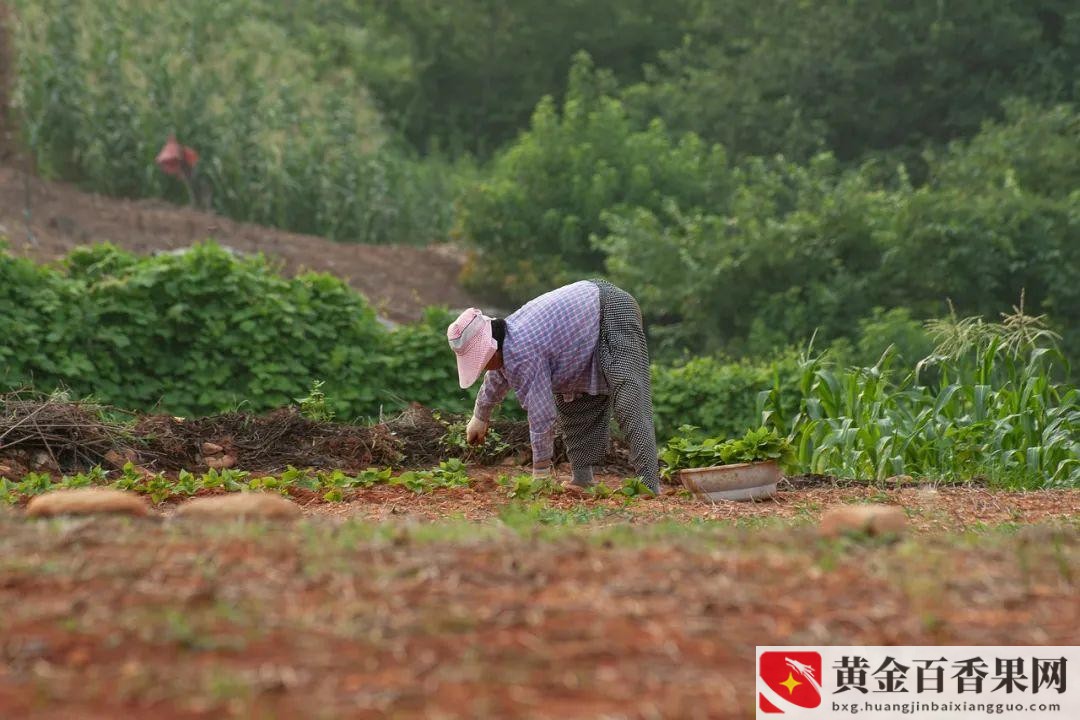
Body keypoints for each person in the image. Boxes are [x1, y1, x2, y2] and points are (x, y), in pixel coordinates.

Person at [446, 279, 660, 493]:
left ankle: (650, 485)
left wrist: (540, 471)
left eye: (481, 360)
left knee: (630, 401)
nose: (482, 367)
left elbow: (541, 416)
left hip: (612, 309)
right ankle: (583, 481)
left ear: (491, 348)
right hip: (583, 328)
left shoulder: (523, 351)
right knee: (575, 402)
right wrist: (480, 416)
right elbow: (498, 375)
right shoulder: (506, 339)